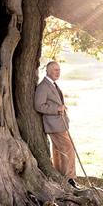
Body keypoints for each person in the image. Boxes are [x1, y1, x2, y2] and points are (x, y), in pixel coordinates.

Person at [34, 61, 79, 189]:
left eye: (59, 70)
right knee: (68, 148)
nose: (58, 72)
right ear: (48, 71)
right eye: (55, 70)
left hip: (59, 123)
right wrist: (57, 108)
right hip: (54, 124)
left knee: (58, 151)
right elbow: (38, 105)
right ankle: (70, 179)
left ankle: (60, 175)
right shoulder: (43, 86)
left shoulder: (53, 85)